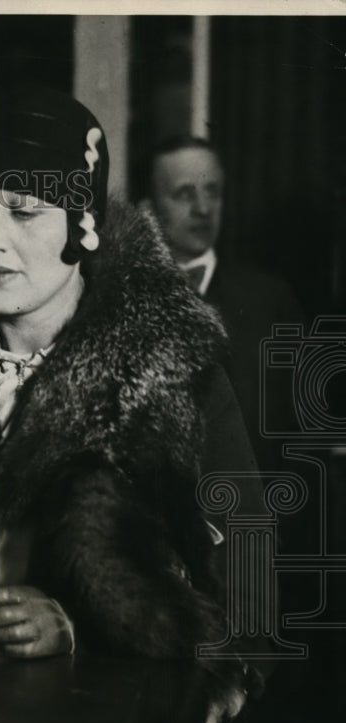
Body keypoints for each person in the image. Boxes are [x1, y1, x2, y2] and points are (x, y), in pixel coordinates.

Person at [0, 86, 265, 723]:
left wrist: (78, 625)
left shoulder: (175, 376)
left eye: (24, 211)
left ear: (84, 224)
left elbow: (246, 606)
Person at [140, 136, 306, 474]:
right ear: (148, 208)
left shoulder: (270, 302)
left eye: (212, 191)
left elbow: (300, 441)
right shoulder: (127, 302)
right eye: (184, 194)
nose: (203, 208)